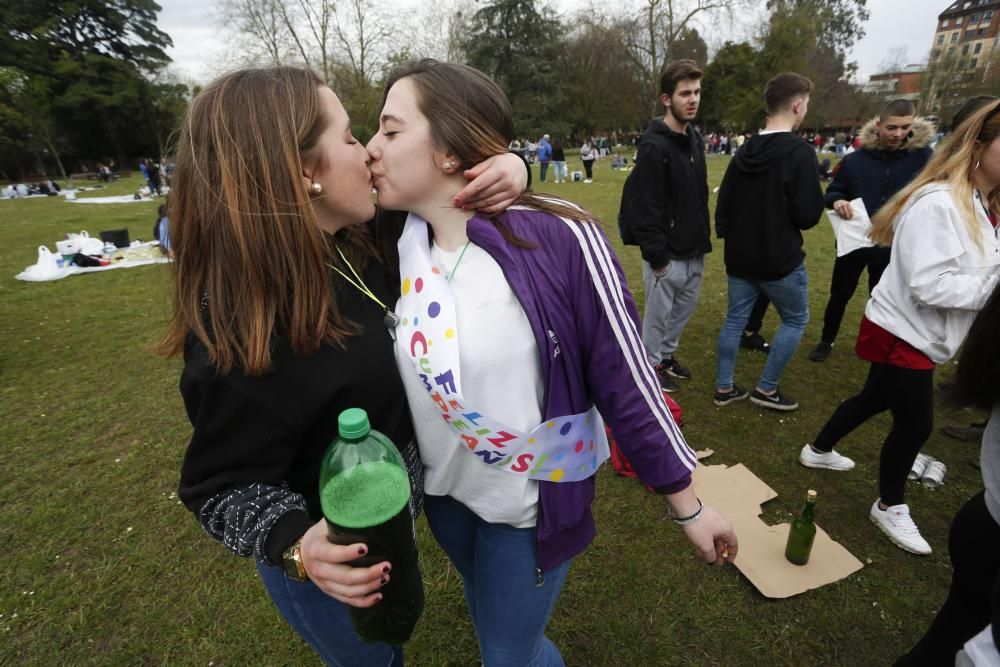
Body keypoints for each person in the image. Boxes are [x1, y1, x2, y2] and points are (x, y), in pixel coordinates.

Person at [367, 59, 738, 667]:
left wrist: (687, 504)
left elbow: (626, 377)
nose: (372, 150)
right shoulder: (395, 242)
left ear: (449, 150)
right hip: (447, 498)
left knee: (507, 655)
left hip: (531, 508)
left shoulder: (561, 235)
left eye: (390, 130)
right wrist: (513, 160)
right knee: (491, 618)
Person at [164, 66, 529, 666]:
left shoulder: (357, 239)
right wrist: (296, 546)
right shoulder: (239, 332)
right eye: (351, 138)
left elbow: (442, 187)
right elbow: (217, 486)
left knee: (395, 641)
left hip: (395, 520)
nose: (369, 154)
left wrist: (512, 166)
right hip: (332, 561)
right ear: (306, 173)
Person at [800, 99, 1000, 556]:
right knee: (915, 423)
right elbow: (930, 284)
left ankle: (819, 448)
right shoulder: (939, 203)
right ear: (978, 144)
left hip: (920, 333)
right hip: (902, 330)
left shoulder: (984, 203)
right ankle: (889, 503)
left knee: (875, 398)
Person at [713, 72, 824, 411]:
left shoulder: (745, 151)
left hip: (742, 257)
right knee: (795, 319)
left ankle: (724, 387)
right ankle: (766, 388)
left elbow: (724, 207)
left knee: (735, 320)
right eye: (805, 105)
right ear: (796, 105)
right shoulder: (800, 153)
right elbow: (808, 215)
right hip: (779, 260)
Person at [808, 99, 935, 362]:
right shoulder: (855, 160)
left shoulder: (923, 158)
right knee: (839, 294)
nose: (898, 134)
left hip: (893, 245)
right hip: (855, 243)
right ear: (878, 126)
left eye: (904, 127)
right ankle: (826, 340)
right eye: (892, 127)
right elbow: (833, 191)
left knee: (883, 299)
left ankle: (879, 345)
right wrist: (837, 200)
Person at [617, 59, 710, 393]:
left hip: (695, 248)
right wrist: (658, 258)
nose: (693, 99)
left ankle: (665, 357)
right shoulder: (654, 146)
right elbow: (645, 209)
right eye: (685, 93)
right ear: (666, 99)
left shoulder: (695, 139)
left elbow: (697, 195)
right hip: (666, 255)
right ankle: (649, 365)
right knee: (657, 320)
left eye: (697, 92)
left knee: (681, 314)